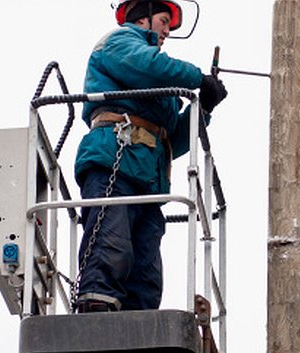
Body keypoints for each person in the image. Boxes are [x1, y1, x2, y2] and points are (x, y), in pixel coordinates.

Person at [73, 0, 227, 313]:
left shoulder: (164, 89)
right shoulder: (118, 43)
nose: (167, 31)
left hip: (148, 177)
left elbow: (173, 140)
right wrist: (197, 77)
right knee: (111, 240)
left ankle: (138, 322)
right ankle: (97, 305)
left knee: (145, 267)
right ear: (142, 18)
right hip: (113, 157)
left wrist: (205, 107)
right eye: (163, 21)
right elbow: (148, 66)